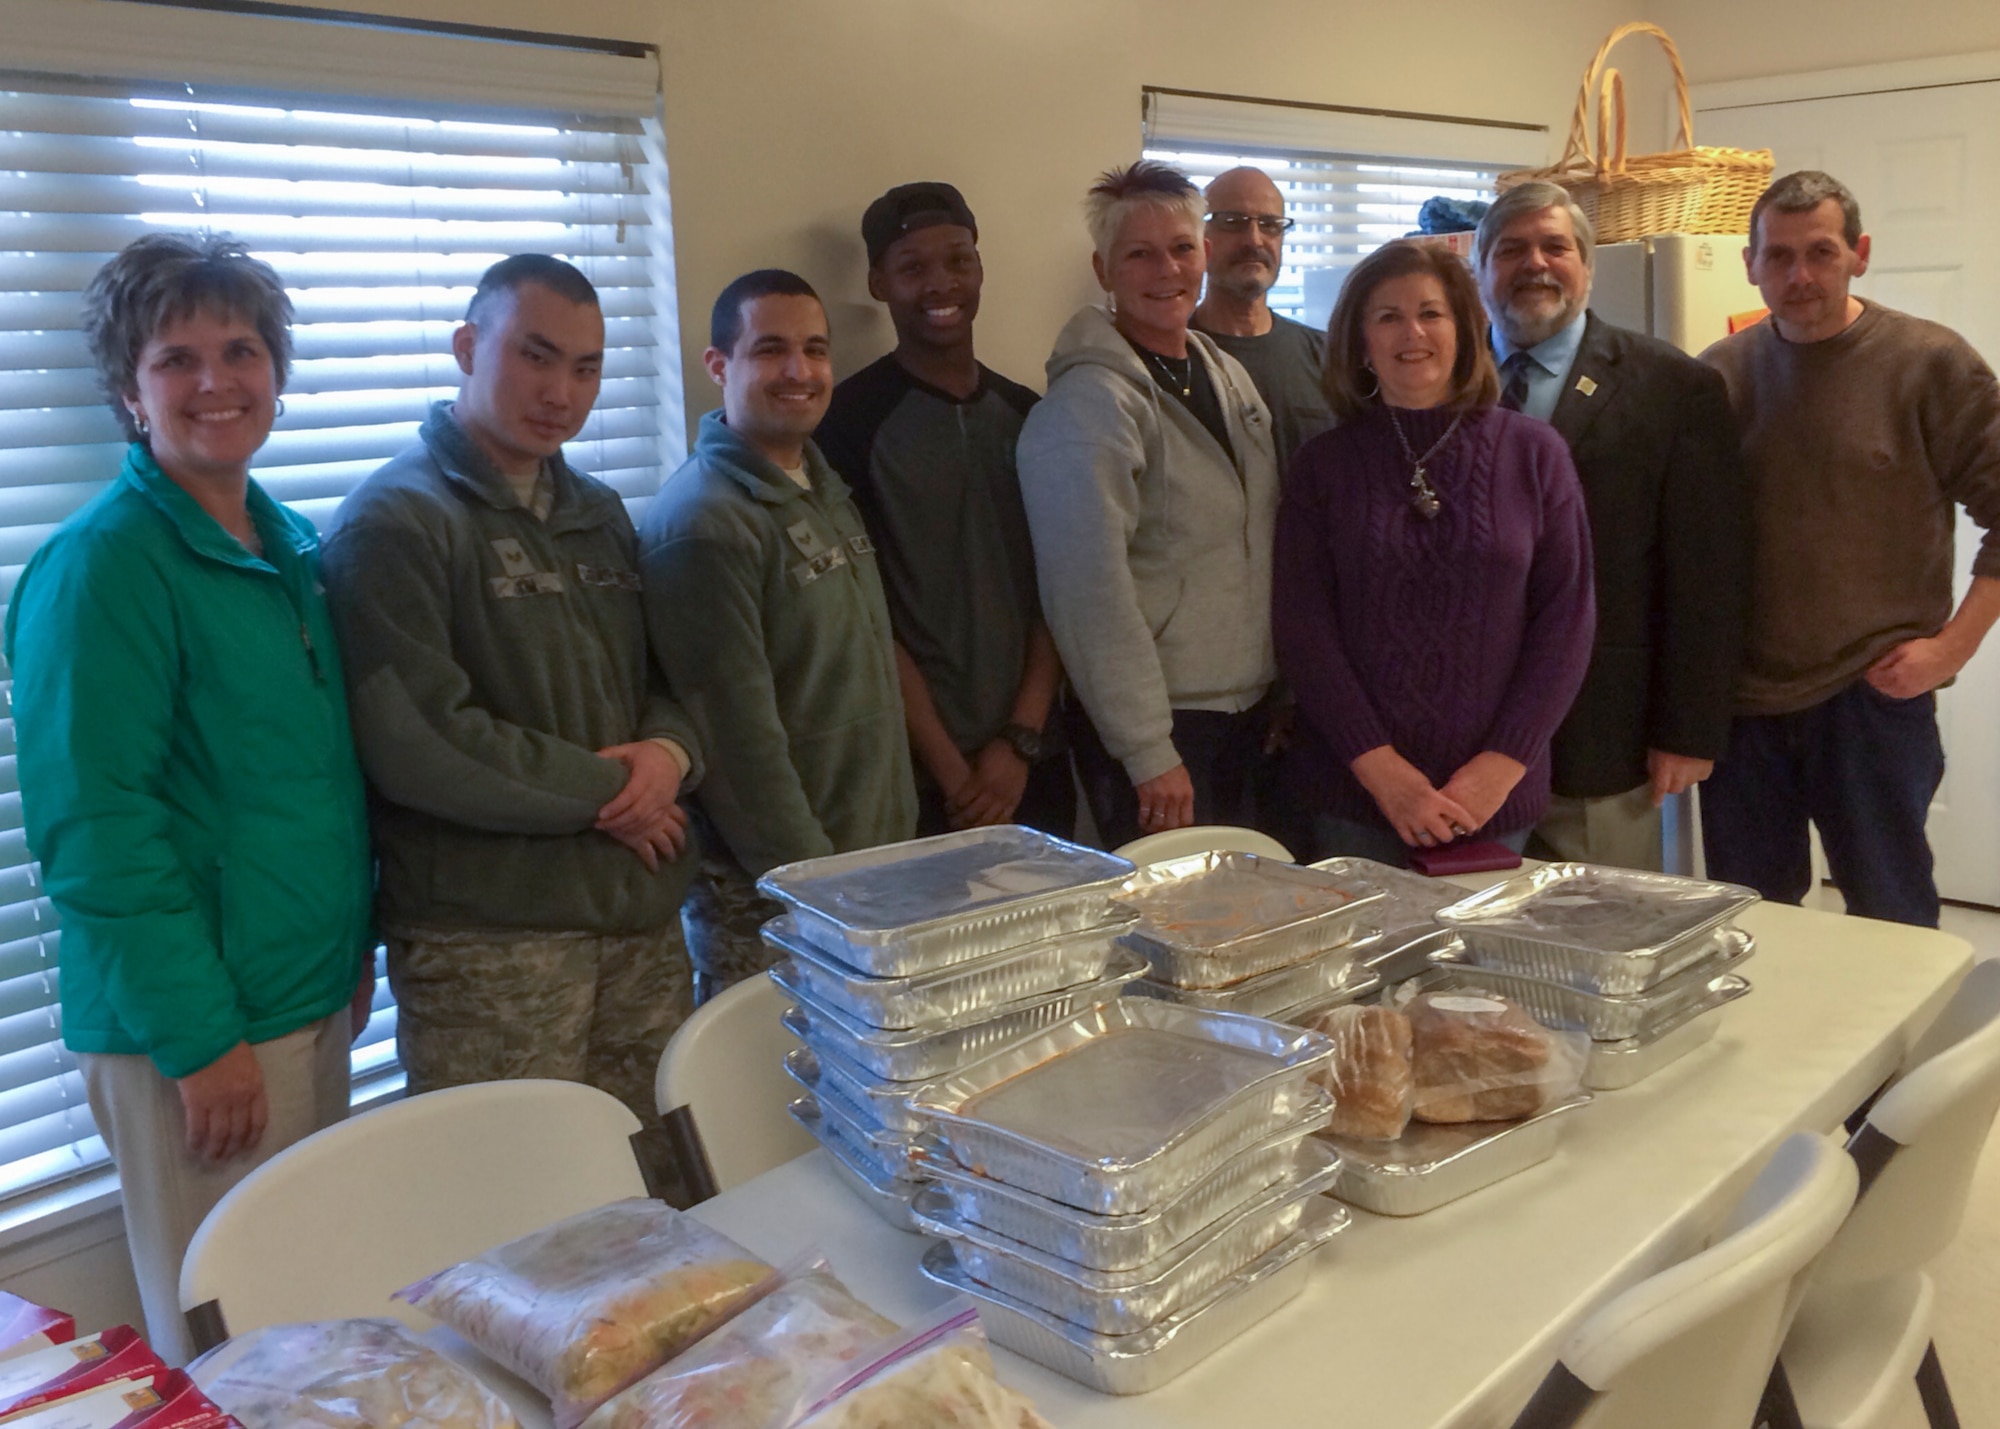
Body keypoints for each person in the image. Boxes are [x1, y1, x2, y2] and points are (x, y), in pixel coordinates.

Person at [5, 234, 373, 1361]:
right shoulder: (102, 567)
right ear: (129, 389)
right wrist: (198, 1039)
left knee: (310, 1307)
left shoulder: (284, 546)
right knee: (230, 1333)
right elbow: (96, 836)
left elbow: (303, 780)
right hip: (202, 1031)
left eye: (242, 349)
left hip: (304, 999)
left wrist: (350, 951)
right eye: (177, 358)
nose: (217, 381)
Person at [320, 255, 699, 1189]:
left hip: (636, 922)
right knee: (515, 1216)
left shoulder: (599, 512)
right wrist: (621, 790)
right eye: (536, 357)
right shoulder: (396, 520)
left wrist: (671, 754)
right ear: (465, 348)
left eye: (585, 367)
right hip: (492, 946)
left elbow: (670, 678)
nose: (560, 391)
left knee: (660, 1202)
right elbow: (423, 741)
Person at [1700, 170, 2000, 926]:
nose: (1800, 275)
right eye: (1779, 256)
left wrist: (1954, 647)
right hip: (1743, 708)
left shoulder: (1930, 363)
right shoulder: (1719, 375)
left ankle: (1903, 1051)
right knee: (1755, 922)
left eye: (1822, 252)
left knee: (1891, 912)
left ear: (1859, 254)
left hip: (1872, 699)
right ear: (1750, 265)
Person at [1273, 239, 1596, 867]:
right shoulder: (1323, 466)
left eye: (1431, 312)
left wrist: (1500, 767)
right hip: (1354, 797)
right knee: (1363, 966)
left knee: (1482, 965)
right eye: (1387, 316)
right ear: (1359, 341)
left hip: (1492, 801)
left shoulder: (1536, 453)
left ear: (1466, 329)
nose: (1411, 332)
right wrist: (1384, 773)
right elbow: (1303, 628)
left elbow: (1567, 620)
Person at [642, 270, 915, 1001]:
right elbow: (739, 749)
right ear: (718, 366)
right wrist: (821, 889)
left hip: (867, 875)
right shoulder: (704, 522)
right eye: (770, 350)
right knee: (770, 1105)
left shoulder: (823, 487)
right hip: (782, 903)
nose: (799, 371)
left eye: (815, 350)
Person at [1473, 181, 1751, 871]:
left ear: (1589, 267)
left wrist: (1689, 727)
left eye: (1555, 247)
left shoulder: (1674, 388)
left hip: (1606, 733)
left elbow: (1707, 575)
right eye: (1510, 250)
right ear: (1480, 271)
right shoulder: (1438, 380)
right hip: (1463, 736)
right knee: (1469, 948)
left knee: (1599, 936)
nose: (1534, 263)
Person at [1017, 160, 1281, 851]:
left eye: (1181, 248)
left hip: (1247, 711)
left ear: (1204, 254)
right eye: (1139, 254)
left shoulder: (1223, 373)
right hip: (1162, 729)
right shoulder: (1087, 407)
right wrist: (1147, 750)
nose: (1166, 269)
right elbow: (1088, 593)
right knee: (1173, 934)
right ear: (1103, 270)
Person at [815, 182, 1074, 839]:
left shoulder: (1031, 415)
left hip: (1034, 757)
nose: (941, 284)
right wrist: (954, 774)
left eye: (958, 260)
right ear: (879, 282)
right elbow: (864, 610)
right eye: (913, 267)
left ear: (980, 266)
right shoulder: (846, 424)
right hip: (919, 775)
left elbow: (1064, 585)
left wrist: (1021, 739)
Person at [1191, 165, 1334, 472]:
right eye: (1233, 222)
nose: (1254, 240)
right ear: (1200, 236)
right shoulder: (1170, 354)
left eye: (1270, 224)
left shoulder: (1328, 358)